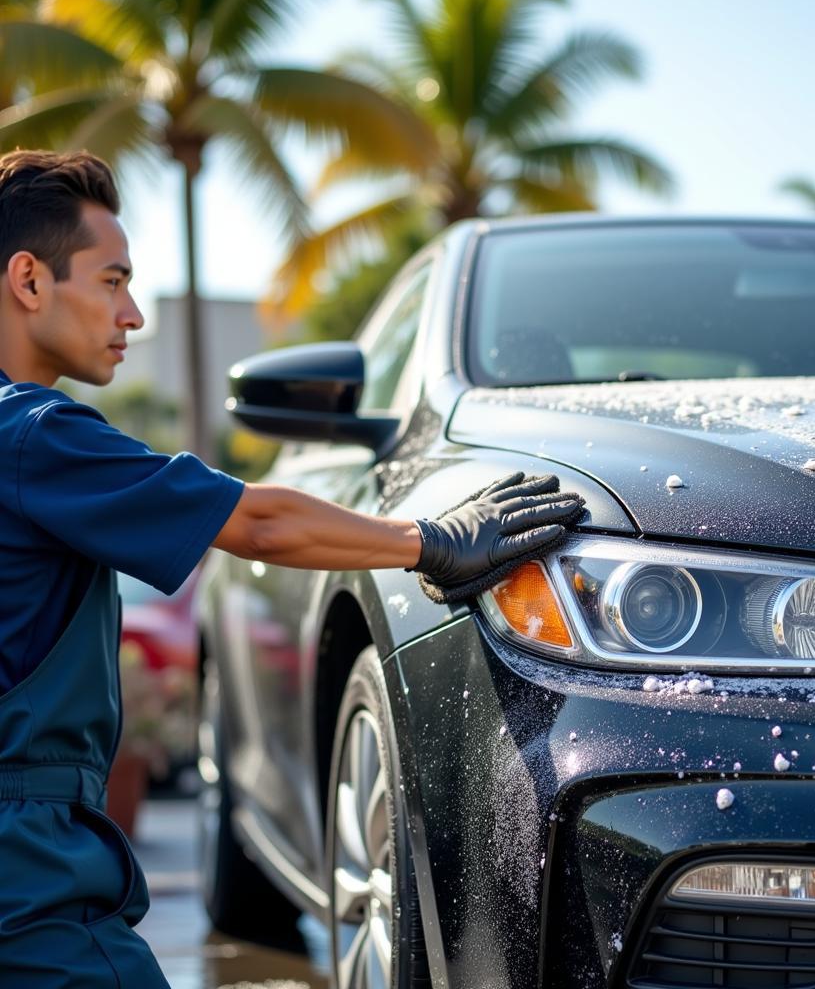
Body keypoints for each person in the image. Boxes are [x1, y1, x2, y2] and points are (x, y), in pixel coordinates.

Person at [0, 149, 582, 986]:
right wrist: (433, 540)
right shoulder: (33, 436)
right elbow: (257, 522)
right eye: (111, 281)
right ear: (29, 280)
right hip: (25, 868)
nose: (129, 314)